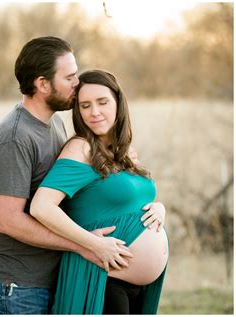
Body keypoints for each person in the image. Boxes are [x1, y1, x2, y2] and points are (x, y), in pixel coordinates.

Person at [0, 37, 162, 314]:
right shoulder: (15, 137)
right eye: (70, 77)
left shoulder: (54, 126)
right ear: (43, 84)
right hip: (13, 283)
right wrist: (86, 245)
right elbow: (9, 221)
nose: (77, 83)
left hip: (46, 276)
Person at [30, 69, 169, 314]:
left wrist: (159, 208)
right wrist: (93, 244)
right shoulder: (80, 148)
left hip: (133, 284)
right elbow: (41, 206)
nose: (94, 112)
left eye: (102, 102)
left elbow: (127, 201)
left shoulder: (120, 151)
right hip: (104, 279)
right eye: (85, 106)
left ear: (118, 103)